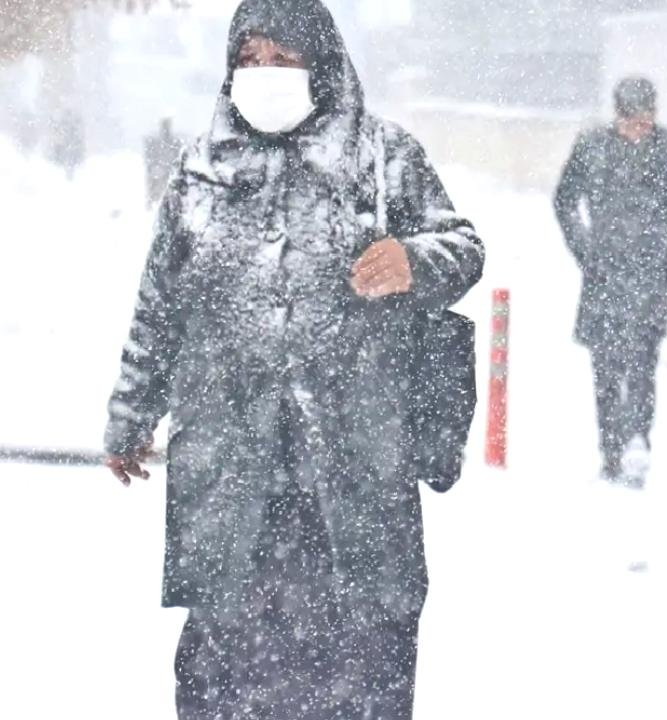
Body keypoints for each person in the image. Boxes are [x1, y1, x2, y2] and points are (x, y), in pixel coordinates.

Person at [101, 1, 484, 717]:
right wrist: (130, 413)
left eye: (282, 59)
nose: (263, 74)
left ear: (324, 66)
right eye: (249, 60)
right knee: (225, 685)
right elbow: (161, 303)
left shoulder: (382, 157)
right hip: (233, 491)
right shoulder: (202, 174)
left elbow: (462, 249)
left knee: (358, 678)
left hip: (354, 488)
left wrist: (411, 259)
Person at [553, 76, 667, 487]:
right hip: (602, 273)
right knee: (604, 367)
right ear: (617, 116)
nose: (639, 127)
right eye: (631, 120)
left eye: (645, 119)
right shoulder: (592, 147)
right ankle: (610, 451)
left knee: (641, 361)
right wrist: (585, 248)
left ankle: (638, 441)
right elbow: (564, 200)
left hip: (651, 275)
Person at [144, 117, 181, 208]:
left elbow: (177, 156)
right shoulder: (155, 141)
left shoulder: (174, 142)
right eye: (165, 126)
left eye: (167, 126)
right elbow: (149, 155)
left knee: (166, 191)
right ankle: (152, 204)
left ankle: (160, 204)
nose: (166, 129)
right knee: (155, 190)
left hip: (167, 170)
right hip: (158, 170)